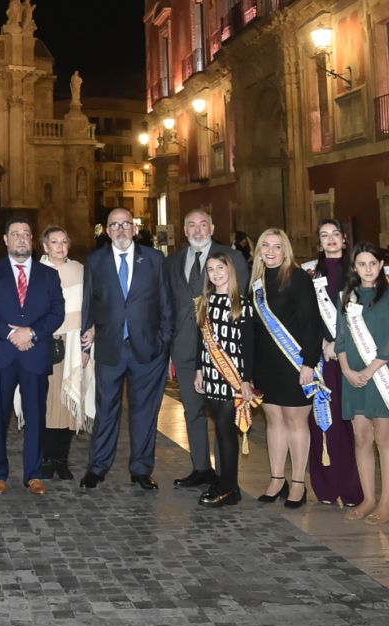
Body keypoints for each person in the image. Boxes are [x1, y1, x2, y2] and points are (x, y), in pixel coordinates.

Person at [79, 206, 175, 489]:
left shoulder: (155, 259)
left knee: (145, 412)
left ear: (134, 228)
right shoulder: (95, 260)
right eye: (114, 225)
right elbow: (89, 304)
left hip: (148, 351)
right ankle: (97, 468)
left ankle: (141, 470)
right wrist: (86, 343)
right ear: (106, 231)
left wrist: (163, 342)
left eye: (125, 224)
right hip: (110, 349)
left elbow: (166, 305)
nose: (121, 230)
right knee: (106, 410)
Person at [0, 217, 65, 495]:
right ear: (6, 240)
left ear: (32, 240)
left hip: (35, 354)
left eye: (26, 234)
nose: (21, 239)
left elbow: (56, 312)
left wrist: (33, 333)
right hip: (1, 354)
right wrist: (11, 334)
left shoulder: (48, 275)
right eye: (15, 234)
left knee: (36, 416)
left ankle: (34, 474)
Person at [166, 208, 249, 490]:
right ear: (184, 230)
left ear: (212, 228)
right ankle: (201, 467)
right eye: (191, 225)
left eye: (203, 225)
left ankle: (225, 478)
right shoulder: (174, 261)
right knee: (192, 411)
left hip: (222, 352)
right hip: (186, 350)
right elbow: (169, 307)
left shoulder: (232, 257)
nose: (198, 230)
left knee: (223, 417)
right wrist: (169, 349)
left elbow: (243, 302)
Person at [245, 228, 328, 507]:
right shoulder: (255, 281)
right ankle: (276, 478)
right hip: (266, 364)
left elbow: (311, 324)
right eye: (265, 246)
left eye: (277, 246)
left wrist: (308, 362)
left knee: (295, 423)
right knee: (274, 422)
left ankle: (298, 484)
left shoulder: (297, 278)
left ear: (286, 250)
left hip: (295, 363)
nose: (270, 251)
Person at [336, 243, 389, 525]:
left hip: (383, 377)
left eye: (372, 263)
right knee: (361, 438)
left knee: (384, 438)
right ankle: (368, 498)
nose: (367, 269)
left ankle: (386, 503)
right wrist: (346, 369)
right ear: (354, 267)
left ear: (381, 266)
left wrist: (368, 370)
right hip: (354, 377)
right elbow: (340, 337)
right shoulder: (347, 297)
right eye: (361, 264)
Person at [301, 220, 363, 506]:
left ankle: (352, 487)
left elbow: (365, 314)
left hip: (352, 356)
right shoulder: (309, 273)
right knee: (321, 421)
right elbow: (306, 316)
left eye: (335, 234)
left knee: (349, 422)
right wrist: (322, 346)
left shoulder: (359, 270)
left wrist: (341, 345)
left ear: (345, 239)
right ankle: (325, 486)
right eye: (324, 235)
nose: (330, 240)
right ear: (319, 242)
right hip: (321, 356)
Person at [194, 250, 259, 508]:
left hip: (232, 377)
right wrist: (199, 369)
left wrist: (246, 379)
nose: (216, 274)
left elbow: (248, 345)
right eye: (210, 270)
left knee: (226, 431)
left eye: (220, 268)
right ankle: (224, 482)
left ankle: (231, 488)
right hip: (211, 373)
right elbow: (201, 340)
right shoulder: (204, 302)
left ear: (229, 271)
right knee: (219, 431)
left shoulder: (241, 303)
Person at [37, 226, 91, 480]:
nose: (60, 246)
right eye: (54, 242)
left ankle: (62, 459)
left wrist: (87, 345)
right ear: (45, 246)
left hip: (73, 343)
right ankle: (46, 459)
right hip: (45, 343)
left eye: (64, 241)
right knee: (48, 404)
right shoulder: (36, 272)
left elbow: (90, 308)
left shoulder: (80, 271)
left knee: (69, 403)